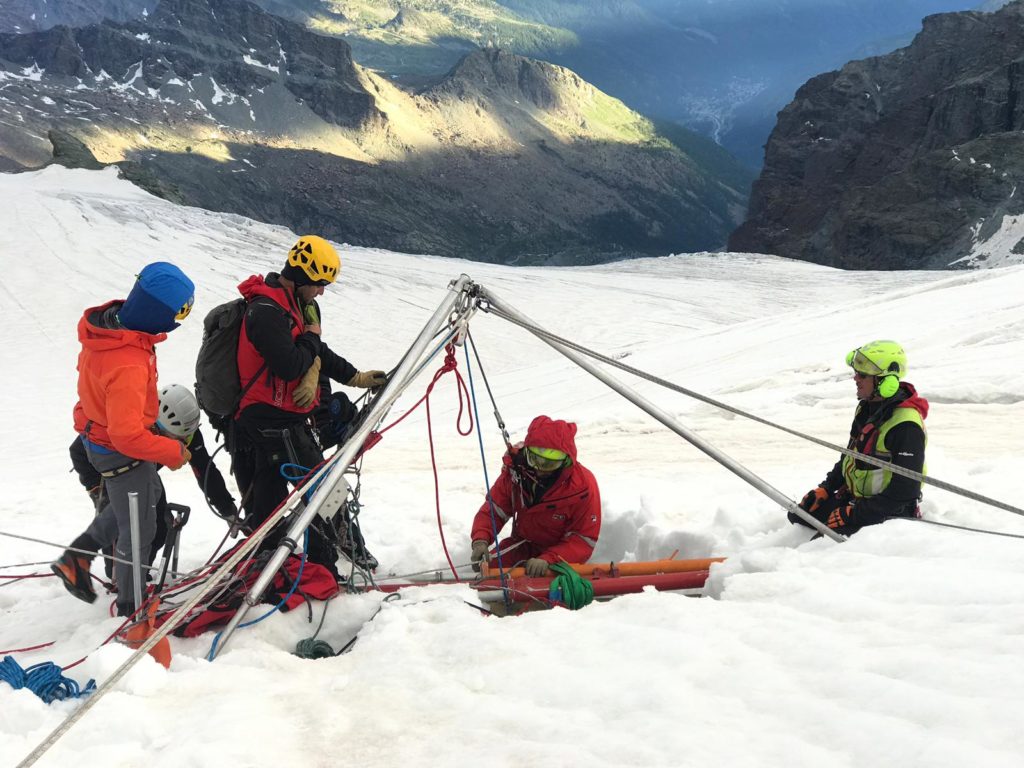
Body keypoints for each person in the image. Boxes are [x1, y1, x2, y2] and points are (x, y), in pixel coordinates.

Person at [231, 235, 387, 577]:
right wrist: (312, 342)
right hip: (273, 422)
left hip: (274, 420)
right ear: (302, 275)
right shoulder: (266, 312)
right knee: (323, 495)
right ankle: (323, 572)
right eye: (319, 284)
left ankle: (272, 568)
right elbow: (290, 364)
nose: (321, 292)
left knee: (270, 502)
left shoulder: (292, 305)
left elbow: (315, 351)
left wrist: (356, 377)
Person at [52, 262, 195, 615]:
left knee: (128, 503)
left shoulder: (110, 331)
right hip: (118, 452)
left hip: (94, 435)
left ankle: (77, 559)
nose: (176, 324)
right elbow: (128, 436)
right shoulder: (128, 362)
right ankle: (134, 606)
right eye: (177, 314)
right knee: (140, 526)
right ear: (158, 312)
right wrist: (172, 451)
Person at [68, 384, 238, 577]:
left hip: (146, 474)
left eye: (184, 438)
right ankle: (119, 576)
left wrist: (226, 509)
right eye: (174, 438)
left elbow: (205, 471)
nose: (180, 443)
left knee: (160, 527)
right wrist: (96, 489)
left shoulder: (187, 434)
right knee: (122, 526)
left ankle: (139, 573)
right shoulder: (128, 424)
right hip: (111, 474)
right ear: (156, 425)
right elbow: (78, 451)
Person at [791, 339, 928, 534]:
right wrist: (827, 488)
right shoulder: (867, 408)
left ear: (885, 381)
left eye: (862, 374)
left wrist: (854, 515)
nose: (856, 378)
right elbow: (850, 456)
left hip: (888, 511)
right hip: (860, 502)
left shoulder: (906, 425)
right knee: (798, 514)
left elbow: (906, 490)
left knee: (823, 545)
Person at [470, 415, 601, 576]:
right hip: (522, 545)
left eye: (549, 463)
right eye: (535, 460)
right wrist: (480, 539)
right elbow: (495, 510)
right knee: (488, 573)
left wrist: (549, 559)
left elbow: (582, 540)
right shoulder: (515, 474)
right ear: (526, 452)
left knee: (550, 594)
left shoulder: (582, 487)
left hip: (560, 557)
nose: (540, 469)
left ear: (566, 461)